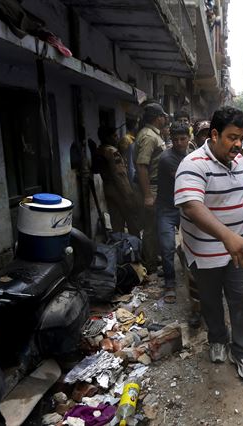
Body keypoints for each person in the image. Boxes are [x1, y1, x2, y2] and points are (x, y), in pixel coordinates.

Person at [174, 106, 243, 381]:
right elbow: (192, 206)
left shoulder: (238, 159)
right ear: (214, 135)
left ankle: (242, 353)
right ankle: (217, 338)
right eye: (232, 137)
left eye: (241, 137)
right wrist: (227, 237)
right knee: (210, 299)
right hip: (205, 251)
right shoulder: (193, 164)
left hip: (239, 248)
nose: (238, 144)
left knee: (242, 300)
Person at [156, 123, 191, 303]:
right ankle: (170, 283)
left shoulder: (191, 155)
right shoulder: (166, 158)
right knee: (167, 246)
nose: (179, 143)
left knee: (191, 245)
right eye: (175, 139)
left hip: (184, 207)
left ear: (188, 138)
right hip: (167, 208)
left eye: (182, 139)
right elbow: (186, 180)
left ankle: (193, 278)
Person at [135, 103, 169, 272]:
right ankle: (150, 263)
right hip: (152, 187)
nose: (165, 119)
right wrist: (148, 195)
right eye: (163, 116)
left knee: (154, 226)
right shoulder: (149, 136)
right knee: (150, 228)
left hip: (156, 186)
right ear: (158, 118)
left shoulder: (153, 134)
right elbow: (142, 166)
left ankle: (154, 257)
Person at [92, 126, 140, 236]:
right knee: (132, 221)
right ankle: (136, 247)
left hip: (107, 189)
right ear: (107, 137)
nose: (117, 138)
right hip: (119, 191)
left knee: (116, 222)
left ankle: (120, 247)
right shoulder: (112, 152)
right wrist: (130, 196)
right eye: (114, 136)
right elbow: (120, 175)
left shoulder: (100, 150)